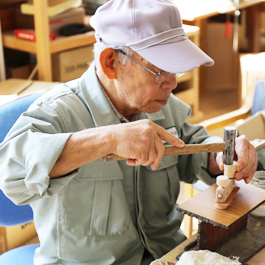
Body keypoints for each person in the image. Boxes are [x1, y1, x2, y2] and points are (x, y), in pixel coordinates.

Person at [0, 0, 258, 264]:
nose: (173, 82)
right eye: (160, 71)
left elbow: (192, 146)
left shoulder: (160, 104)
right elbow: (11, 173)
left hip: (166, 256)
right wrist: (109, 139)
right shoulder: (59, 112)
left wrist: (222, 157)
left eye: (175, 69)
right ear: (111, 61)